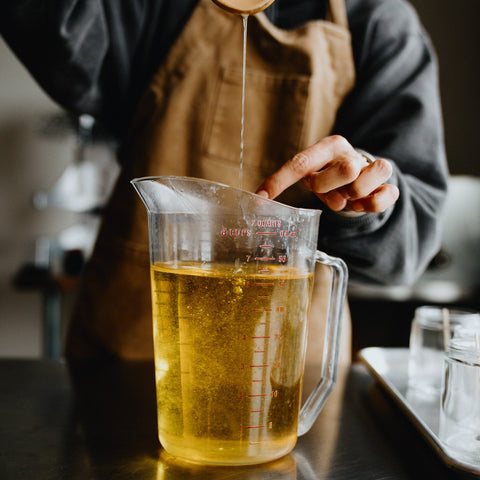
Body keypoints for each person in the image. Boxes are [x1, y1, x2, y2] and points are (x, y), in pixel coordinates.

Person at [1, 0, 449, 360]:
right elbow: (53, 25)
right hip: (132, 366)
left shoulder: (377, 23)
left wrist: (361, 193)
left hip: (282, 381)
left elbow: (413, 240)